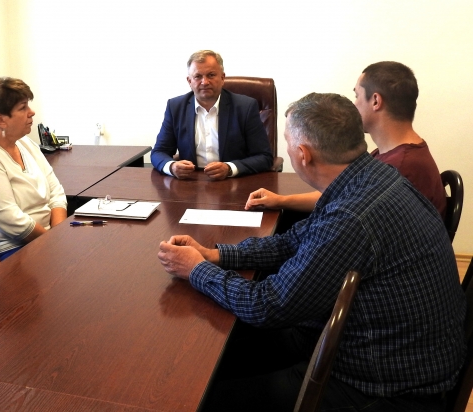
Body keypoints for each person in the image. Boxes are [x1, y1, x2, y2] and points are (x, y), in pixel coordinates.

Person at [157, 93, 465, 412]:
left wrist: (196, 270)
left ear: (303, 154)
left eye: (288, 142)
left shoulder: (351, 217)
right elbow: (294, 240)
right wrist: (216, 255)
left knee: (203, 398)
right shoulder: (373, 176)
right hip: (379, 345)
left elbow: (268, 305)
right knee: (219, 357)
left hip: (385, 385)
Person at [246, 61, 446, 218]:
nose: (354, 104)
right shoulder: (393, 154)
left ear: (375, 101)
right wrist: (281, 201)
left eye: (357, 96)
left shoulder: (401, 167)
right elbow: (342, 192)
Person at [0, 77, 67, 261]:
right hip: (13, 249)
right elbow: (15, 223)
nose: (31, 112)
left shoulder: (25, 143)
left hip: (48, 238)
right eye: (23, 107)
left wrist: (58, 237)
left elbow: (56, 192)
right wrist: (55, 244)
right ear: (1, 120)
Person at [150, 49, 273, 180]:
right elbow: (159, 152)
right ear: (189, 81)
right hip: (190, 182)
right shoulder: (176, 107)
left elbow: (264, 157)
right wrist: (171, 166)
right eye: (198, 76)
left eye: (211, 75)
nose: (205, 82)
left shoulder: (245, 107)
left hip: (233, 181)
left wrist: (229, 168)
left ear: (222, 78)